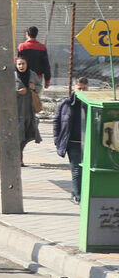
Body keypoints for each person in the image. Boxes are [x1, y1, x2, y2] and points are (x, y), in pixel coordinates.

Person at [54, 76, 89, 204]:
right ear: (74, 88)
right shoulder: (66, 104)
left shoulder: (90, 104)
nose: (82, 91)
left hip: (88, 143)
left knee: (85, 170)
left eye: (84, 89)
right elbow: (57, 122)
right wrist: (57, 140)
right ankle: (78, 196)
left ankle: (75, 192)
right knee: (76, 170)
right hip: (73, 143)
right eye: (79, 88)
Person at [14, 54, 43, 162]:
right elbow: (5, 92)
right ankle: (19, 157)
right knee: (18, 133)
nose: (21, 66)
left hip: (29, 110)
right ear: (16, 65)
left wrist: (34, 87)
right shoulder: (13, 76)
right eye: (19, 64)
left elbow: (40, 87)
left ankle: (19, 152)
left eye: (23, 63)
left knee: (28, 133)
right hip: (17, 110)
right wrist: (17, 92)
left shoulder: (32, 74)